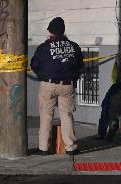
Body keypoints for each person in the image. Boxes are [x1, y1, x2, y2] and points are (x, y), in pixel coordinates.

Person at [30, 17, 84, 155]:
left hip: (48, 84)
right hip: (67, 86)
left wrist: (44, 76)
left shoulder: (44, 47)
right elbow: (80, 66)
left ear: (50, 31)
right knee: (67, 115)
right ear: (63, 31)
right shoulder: (74, 46)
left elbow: (34, 65)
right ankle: (71, 147)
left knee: (46, 116)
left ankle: (43, 148)